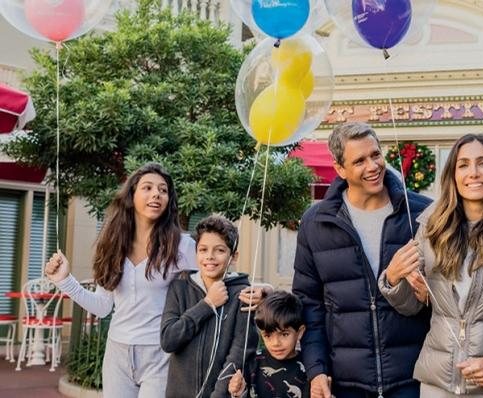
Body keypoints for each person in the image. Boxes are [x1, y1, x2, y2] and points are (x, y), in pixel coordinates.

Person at [379, 133, 483, 397]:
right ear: (453, 175)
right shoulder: (432, 229)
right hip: (439, 383)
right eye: (463, 165)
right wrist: (392, 279)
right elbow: (411, 305)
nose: (473, 172)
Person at [292, 121, 432, 398]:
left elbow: (444, 294)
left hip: (412, 379)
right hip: (346, 384)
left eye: (375, 155)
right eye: (359, 161)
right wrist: (317, 370)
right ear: (340, 169)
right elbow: (309, 305)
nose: (372, 166)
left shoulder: (422, 214)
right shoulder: (316, 223)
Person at [45, 162, 197, 397]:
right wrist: (65, 280)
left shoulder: (183, 246)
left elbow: (210, 286)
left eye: (163, 190)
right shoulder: (112, 244)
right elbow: (103, 307)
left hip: (161, 353)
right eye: (147, 187)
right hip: (117, 352)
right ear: (131, 195)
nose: (156, 193)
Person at [160, 215, 257, 397]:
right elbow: (168, 340)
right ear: (196, 252)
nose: (210, 257)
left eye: (219, 250)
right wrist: (207, 304)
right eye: (203, 250)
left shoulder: (243, 294)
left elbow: (239, 354)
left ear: (233, 256)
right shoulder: (179, 288)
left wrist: (218, 395)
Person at [228, 290, 309, 398]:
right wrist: (239, 394)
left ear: (299, 332)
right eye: (268, 335)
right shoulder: (252, 364)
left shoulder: (309, 367)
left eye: (284, 334)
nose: (276, 343)